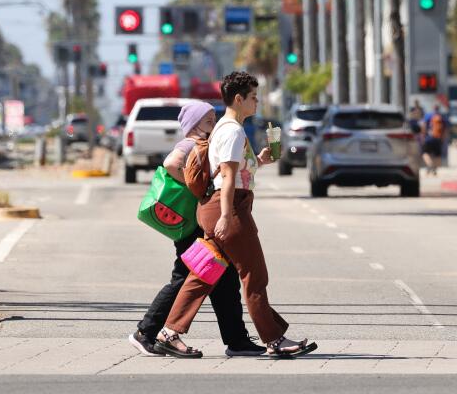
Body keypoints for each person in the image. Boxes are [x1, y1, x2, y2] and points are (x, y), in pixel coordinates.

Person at [155, 71, 317, 359]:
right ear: (238, 99)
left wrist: (260, 161)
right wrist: (228, 216)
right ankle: (274, 339)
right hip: (228, 206)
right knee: (254, 274)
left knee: (204, 274)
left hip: (218, 205)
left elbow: (234, 171)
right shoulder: (232, 131)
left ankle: (169, 333)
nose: (257, 102)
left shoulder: (224, 128)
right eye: (253, 97)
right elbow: (227, 176)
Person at [129, 100, 265, 358]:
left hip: (197, 223)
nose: (213, 124)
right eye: (208, 121)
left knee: (224, 279)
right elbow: (171, 163)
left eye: (214, 119)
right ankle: (146, 332)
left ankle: (236, 340)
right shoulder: (191, 142)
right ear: (193, 125)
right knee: (185, 277)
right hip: (192, 226)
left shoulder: (205, 142)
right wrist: (198, 188)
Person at [422, 104, 445, 175]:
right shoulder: (442, 117)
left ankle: (430, 165)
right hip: (438, 138)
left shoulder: (428, 115)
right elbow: (445, 130)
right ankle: (434, 168)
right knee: (437, 155)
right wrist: (442, 138)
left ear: (432, 108)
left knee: (425, 153)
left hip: (429, 138)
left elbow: (424, 126)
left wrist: (423, 136)